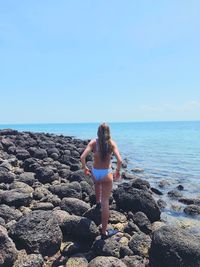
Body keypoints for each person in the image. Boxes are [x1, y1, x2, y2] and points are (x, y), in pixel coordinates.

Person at [80, 123, 122, 238]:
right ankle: (104, 232)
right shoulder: (112, 143)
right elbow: (120, 160)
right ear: (109, 132)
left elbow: (82, 157)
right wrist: (117, 171)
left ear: (98, 132)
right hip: (106, 174)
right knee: (106, 203)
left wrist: (84, 168)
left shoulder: (94, 142)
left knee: (97, 184)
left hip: (95, 173)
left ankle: (97, 203)